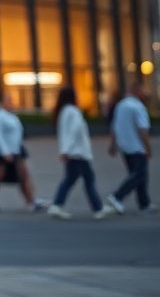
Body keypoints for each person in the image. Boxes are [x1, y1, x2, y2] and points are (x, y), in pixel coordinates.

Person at [49, 87, 112, 220]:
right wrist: (66, 150)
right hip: (78, 152)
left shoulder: (63, 112)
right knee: (88, 179)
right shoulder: (73, 111)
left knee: (70, 179)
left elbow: (64, 134)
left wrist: (64, 150)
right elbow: (74, 132)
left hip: (72, 152)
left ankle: (57, 205)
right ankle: (97, 208)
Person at [0, 91, 47, 213]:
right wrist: (4, 152)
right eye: (8, 100)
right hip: (2, 151)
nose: (11, 103)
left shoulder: (12, 116)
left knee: (24, 174)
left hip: (17, 149)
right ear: (2, 103)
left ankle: (30, 200)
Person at [106, 79, 155, 214]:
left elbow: (114, 126)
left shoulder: (121, 105)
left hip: (125, 146)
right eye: (143, 90)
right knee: (139, 174)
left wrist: (113, 144)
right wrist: (148, 148)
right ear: (137, 90)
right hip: (137, 146)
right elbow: (142, 130)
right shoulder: (138, 107)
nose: (145, 93)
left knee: (136, 174)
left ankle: (144, 203)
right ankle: (117, 196)